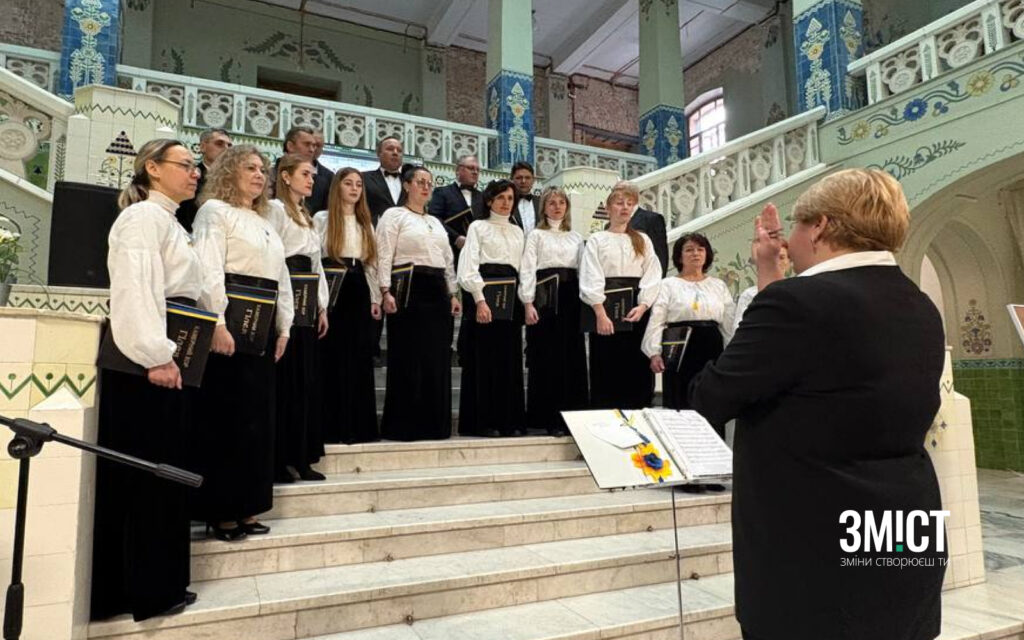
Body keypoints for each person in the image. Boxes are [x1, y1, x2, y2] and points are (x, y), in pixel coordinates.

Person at [688, 169, 947, 640]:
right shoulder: (920, 304)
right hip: (903, 526)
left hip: (814, 542)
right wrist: (775, 280)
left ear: (821, 226)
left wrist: (771, 285)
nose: (788, 240)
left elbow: (712, 395)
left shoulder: (797, 303)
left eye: (795, 225)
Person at [91, 139, 202, 622]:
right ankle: (141, 590)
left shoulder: (171, 222)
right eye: (185, 165)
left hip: (168, 357)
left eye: (196, 166)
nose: (195, 172)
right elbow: (135, 290)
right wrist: (156, 356)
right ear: (152, 168)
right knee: (145, 475)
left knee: (165, 473)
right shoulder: (141, 218)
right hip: (144, 365)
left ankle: (161, 582)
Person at [191, 145, 293, 541]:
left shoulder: (264, 220)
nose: (259, 175)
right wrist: (216, 321)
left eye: (263, 170)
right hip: (230, 324)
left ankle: (249, 505)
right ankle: (222, 512)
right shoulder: (214, 211)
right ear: (228, 172)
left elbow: (280, 276)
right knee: (227, 419)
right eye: (250, 168)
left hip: (261, 327)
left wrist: (284, 327)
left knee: (256, 422)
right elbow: (208, 266)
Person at [376, 166, 462, 440]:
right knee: (408, 356)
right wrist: (385, 290)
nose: (426, 187)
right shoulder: (394, 215)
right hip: (407, 289)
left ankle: (434, 424)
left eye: (429, 183)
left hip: (437, 291)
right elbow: (384, 254)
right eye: (420, 182)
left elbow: (447, 260)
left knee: (435, 358)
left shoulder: (435, 222)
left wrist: (452, 293)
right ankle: (405, 426)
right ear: (406, 185)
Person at [268, 153, 330, 483]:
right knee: (286, 380)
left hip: (307, 298)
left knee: (305, 380)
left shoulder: (307, 216)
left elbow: (316, 264)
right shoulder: (276, 210)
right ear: (286, 176)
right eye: (305, 174)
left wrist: (322, 305)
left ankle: (302, 455)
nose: (311, 180)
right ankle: (279, 458)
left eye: (313, 175)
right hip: (285, 294)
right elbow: (274, 257)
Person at [313, 168, 382, 444]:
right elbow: (315, 259)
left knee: (358, 356)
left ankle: (358, 426)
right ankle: (331, 425)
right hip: (332, 286)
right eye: (348, 183)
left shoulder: (365, 223)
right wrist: (320, 301)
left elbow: (371, 264)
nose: (354, 189)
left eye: (358, 185)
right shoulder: (322, 219)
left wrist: (375, 298)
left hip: (358, 288)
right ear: (337, 187)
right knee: (332, 356)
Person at [580, 186, 662, 409]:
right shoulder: (597, 239)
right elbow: (591, 275)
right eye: (619, 203)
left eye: (629, 203)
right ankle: (607, 413)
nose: (624, 207)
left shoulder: (642, 239)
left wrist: (643, 305)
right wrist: (600, 313)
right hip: (606, 309)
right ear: (608, 208)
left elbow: (652, 273)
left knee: (636, 364)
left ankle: (638, 411)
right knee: (607, 362)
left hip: (636, 308)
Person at [456, 179, 526, 437]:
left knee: (509, 360)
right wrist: (480, 300)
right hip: (485, 297)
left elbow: (522, 269)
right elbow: (469, 265)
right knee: (484, 360)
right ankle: (484, 422)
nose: (506, 203)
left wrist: (525, 301)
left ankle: (509, 421)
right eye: (500, 198)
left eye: (510, 198)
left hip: (511, 300)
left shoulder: (518, 232)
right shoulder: (478, 227)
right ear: (489, 201)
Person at [519, 186, 588, 435]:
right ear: (544, 208)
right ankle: (548, 418)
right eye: (552, 203)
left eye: (561, 202)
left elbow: (584, 271)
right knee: (547, 357)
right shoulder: (536, 235)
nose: (557, 207)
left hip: (570, 299)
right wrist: (528, 302)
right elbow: (527, 269)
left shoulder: (576, 237)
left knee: (571, 357)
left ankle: (572, 418)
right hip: (545, 299)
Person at [644, 233, 736, 418]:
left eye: (700, 249)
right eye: (689, 250)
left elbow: (728, 321)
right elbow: (657, 319)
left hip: (711, 346)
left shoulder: (718, 285)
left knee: (709, 400)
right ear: (679, 257)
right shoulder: (668, 285)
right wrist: (654, 352)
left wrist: (733, 353)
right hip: (679, 347)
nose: (695, 254)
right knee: (680, 401)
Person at [175, 128, 231, 232]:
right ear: (203, 147)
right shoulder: (189, 176)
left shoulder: (234, 181)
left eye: (229, 146)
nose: (226, 149)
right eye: (219, 144)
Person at [609, 181, 669, 277]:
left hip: (643, 278)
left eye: (621, 191)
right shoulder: (610, 224)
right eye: (614, 191)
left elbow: (660, 254)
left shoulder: (652, 219)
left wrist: (658, 280)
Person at [428, 154, 482, 257]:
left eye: (478, 170)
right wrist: (456, 238)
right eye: (471, 168)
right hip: (449, 251)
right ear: (458, 170)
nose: (475, 172)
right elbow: (434, 219)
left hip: (476, 255)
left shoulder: (482, 197)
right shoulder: (442, 192)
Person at [272, 125, 333, 214]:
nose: (312, 150)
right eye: (307, 144)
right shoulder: (269, 175)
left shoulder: (324, 180)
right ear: (290, 146)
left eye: (314, 145)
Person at [733, 243, 790, 336]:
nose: (777, 262)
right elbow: (738, 330)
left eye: (782, 257)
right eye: (772, 258)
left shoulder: (797, 290)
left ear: (789, 262)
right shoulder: (749, 295)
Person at [362, 135, 404, 226]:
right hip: (373, 231)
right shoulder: (364, 178)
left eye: (399, 150)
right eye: (390, 149)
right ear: (378, 153)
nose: (395, 153)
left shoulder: (409, 182)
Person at [510, 161, 535, 233]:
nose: (523, 181)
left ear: (533, 180)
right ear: (511, 179)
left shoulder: (542, 203)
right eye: (519, 178)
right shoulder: (506, 202)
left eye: (527, 178)